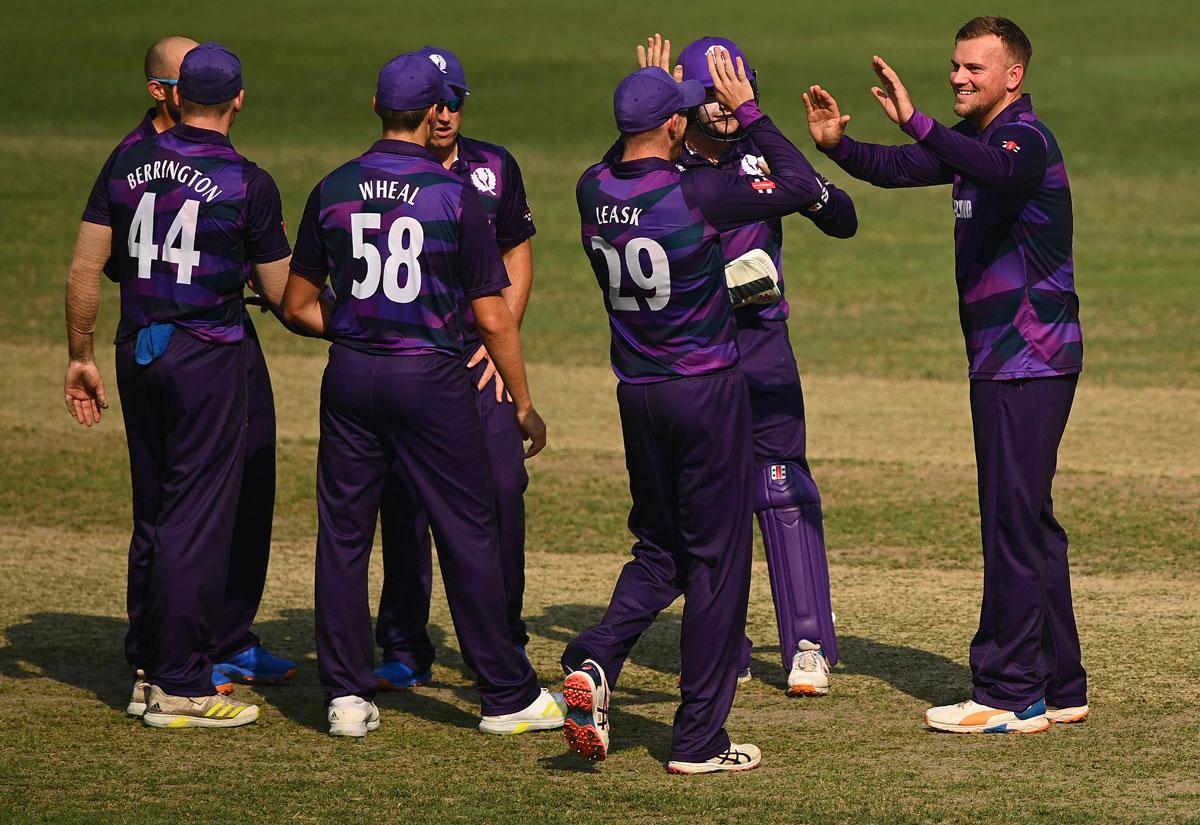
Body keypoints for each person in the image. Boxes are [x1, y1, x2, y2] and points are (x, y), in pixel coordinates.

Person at [562, 44, 856, 773]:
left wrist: (650, 91)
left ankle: (595, 656)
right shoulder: (699, 193)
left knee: (660, 550)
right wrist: (755, 117)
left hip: (641, 391)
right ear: (674, 121)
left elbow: (827, 208)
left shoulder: (590, 183)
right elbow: (795, 182)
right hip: (708, 384)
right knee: (719, 561)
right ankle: (697, 738)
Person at [805, 15, 1087, 733]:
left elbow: (994, 169)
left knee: (1010, 523)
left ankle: (1009, 693)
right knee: (1029, 522)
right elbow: (897, 168)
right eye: (956, 65)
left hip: (1025, 361)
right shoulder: (978, 146)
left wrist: (918, 120)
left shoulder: (1023, 141)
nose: (959, 76)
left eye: (975, 69)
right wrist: (840, 147)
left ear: (1013, 77)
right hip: (1009, 362)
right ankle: (1061, 682)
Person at [281, 52, 563, 739]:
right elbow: (492, 313)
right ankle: (506, 693)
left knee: (344, 535)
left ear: (377, 109)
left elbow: (295, 305)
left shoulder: (334, 185)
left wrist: (356, 328)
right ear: (431, 109)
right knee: (467, 528)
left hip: (349, 375)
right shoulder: (453, 193)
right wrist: (523, 402)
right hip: (431, 376)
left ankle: (346, 696)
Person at [65, 42, 292, 728]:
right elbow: (283, 294)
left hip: (138, 349)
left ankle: (149, 666)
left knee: (160, 511)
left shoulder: (127, 160)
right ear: (239, 100)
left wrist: (80, 354)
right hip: (207, 354)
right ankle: (181, 685)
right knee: (196, 518)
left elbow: (83, 270)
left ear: (174, 95)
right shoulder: (246, 179)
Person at [658, 34, 849, 696]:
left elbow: (842, 216)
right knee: (705, 499)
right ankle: (721, 644)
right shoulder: (661, 165)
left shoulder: (763, 156)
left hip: (762, 348)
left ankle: (807, 644)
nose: (726, 101)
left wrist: (803, 176)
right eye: (710, 90)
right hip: (688, 356)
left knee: (780, 482)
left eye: (736, 84)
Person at [373, 45, 537, 692]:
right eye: (435, 102)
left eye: (455, 101)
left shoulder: (493, 168)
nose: (445, 114)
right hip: (410, 363)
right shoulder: (382, 173)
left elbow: (516, 255)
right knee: (405, 500)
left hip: (478, 363)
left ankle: (503, 637)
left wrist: (502, 345)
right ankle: (404, 644)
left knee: (503, 490)